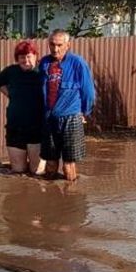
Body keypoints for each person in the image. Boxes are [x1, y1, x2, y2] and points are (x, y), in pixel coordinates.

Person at [39, 29, 95, 182]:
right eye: (52, 44)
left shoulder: (78, 63)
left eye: (59, 45)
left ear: (67, 45)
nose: (55, 49)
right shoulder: (44, 63)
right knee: (50, 163)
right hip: (49, 119)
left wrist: (85, 112)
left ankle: (70, 199)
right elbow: (41, 90)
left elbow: (88, 92)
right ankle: (49, 198)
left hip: (71, 118)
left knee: (68, 165)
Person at [0, 40, 44, 175]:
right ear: (17, 58)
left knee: (37, 172)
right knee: (18, 171)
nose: (25, 60)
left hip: (38, 128)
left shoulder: (42, 71)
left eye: (29, 56)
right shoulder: (11, 71)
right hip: (15, 127)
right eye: (22, 57)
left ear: (35, 56)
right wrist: (11, 94)